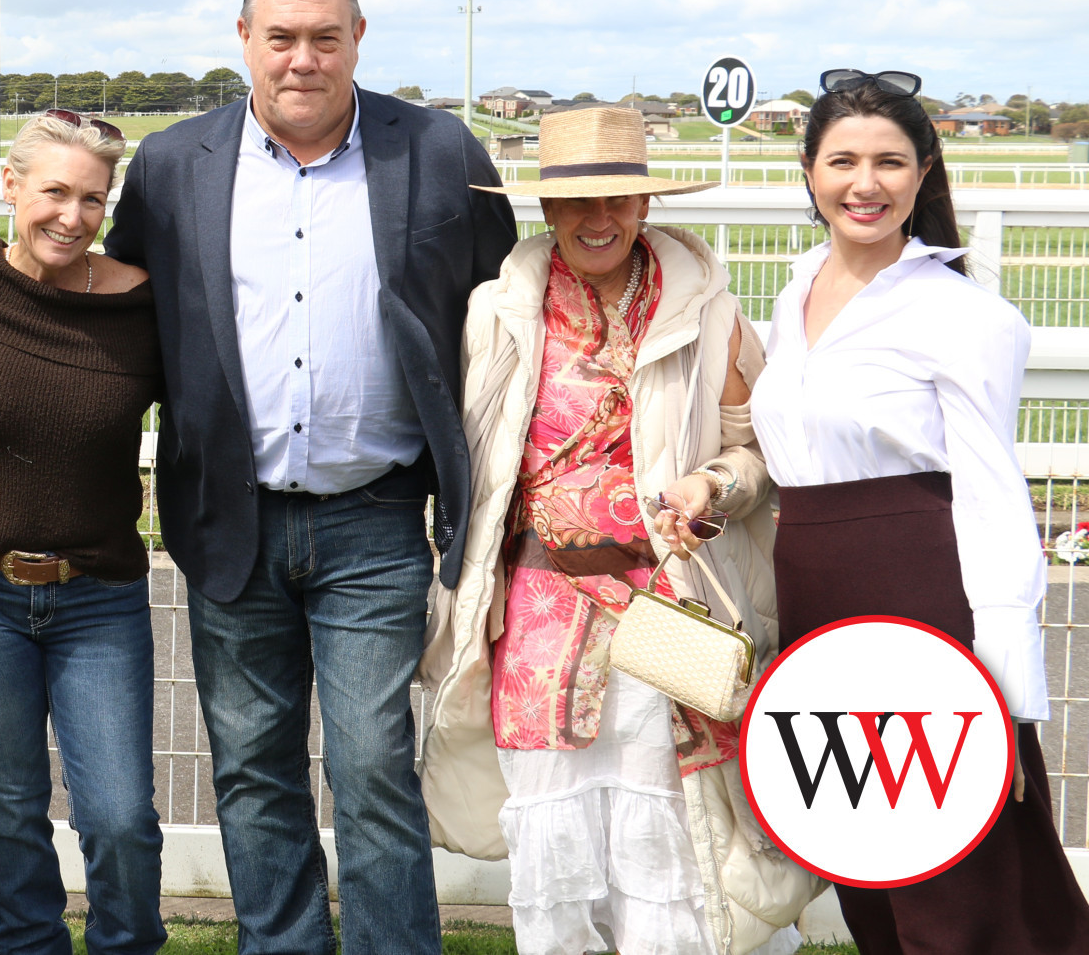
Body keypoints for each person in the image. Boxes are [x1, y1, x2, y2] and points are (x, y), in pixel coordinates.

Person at [97, 0, 518, 953]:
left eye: (323, 37)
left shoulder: (439, 151)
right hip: (226, 518)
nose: (301, 59)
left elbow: (511, 313)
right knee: (251, 765)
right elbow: (111, 326)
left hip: (373, 515)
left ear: (357, 40)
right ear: (243, 40)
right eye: (279, 36)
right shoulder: (169, 166)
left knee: (372, 762)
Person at [419, 105, 820, 955]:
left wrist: (711, 484)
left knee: (666, 830)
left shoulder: (709, 313)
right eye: (577, 202)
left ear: (645, 207)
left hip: (661, 605)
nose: (598, 219)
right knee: (555, 837)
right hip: (535, 614)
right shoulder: (498, 312)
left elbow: (756, 454)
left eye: (618, 200)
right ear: (547, 210)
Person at [751, 70, 1089, 952]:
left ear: (926, 172)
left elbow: (990, 495)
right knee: (861, 848)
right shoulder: (792, 296)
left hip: (920, 595)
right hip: (814, 596)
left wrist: (1007, 695)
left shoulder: (964, 314)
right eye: (844, 160)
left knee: (953, 871)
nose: (866, 182)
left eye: (891, 162)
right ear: (809, 170)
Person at [0, 110, 164, 955]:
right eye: (53, 191)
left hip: (101, 595)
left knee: (119, 813)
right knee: (8, 804)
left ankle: (125, 943)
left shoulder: (145, 307)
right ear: (11, 187)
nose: (71, 216)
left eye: (92, 197)